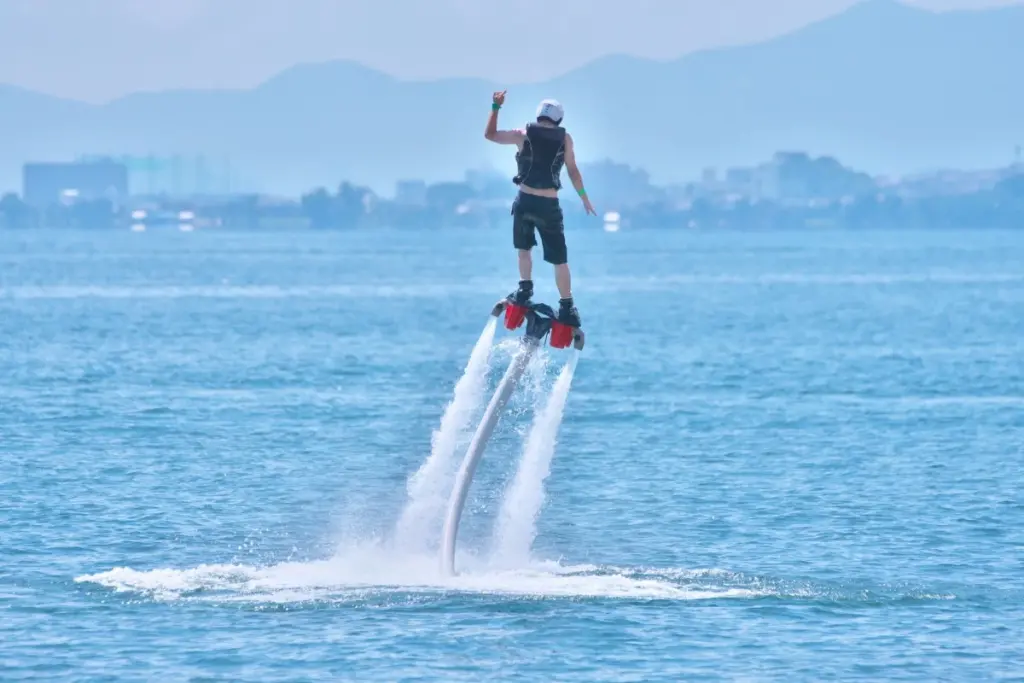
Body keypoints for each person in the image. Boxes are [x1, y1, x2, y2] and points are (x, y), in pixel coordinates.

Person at [484, 89, 596, 328]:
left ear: (538, 115)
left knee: (524, 250)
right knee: (560, 260)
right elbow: (573, 171)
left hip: (525, 201)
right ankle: (567, 307)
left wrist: (496, 108)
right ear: (559, 119)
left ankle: (524, 290)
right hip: (549, 205)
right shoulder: (565, 139)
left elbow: (490, 135)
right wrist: (584, 198)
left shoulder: (523, 135)